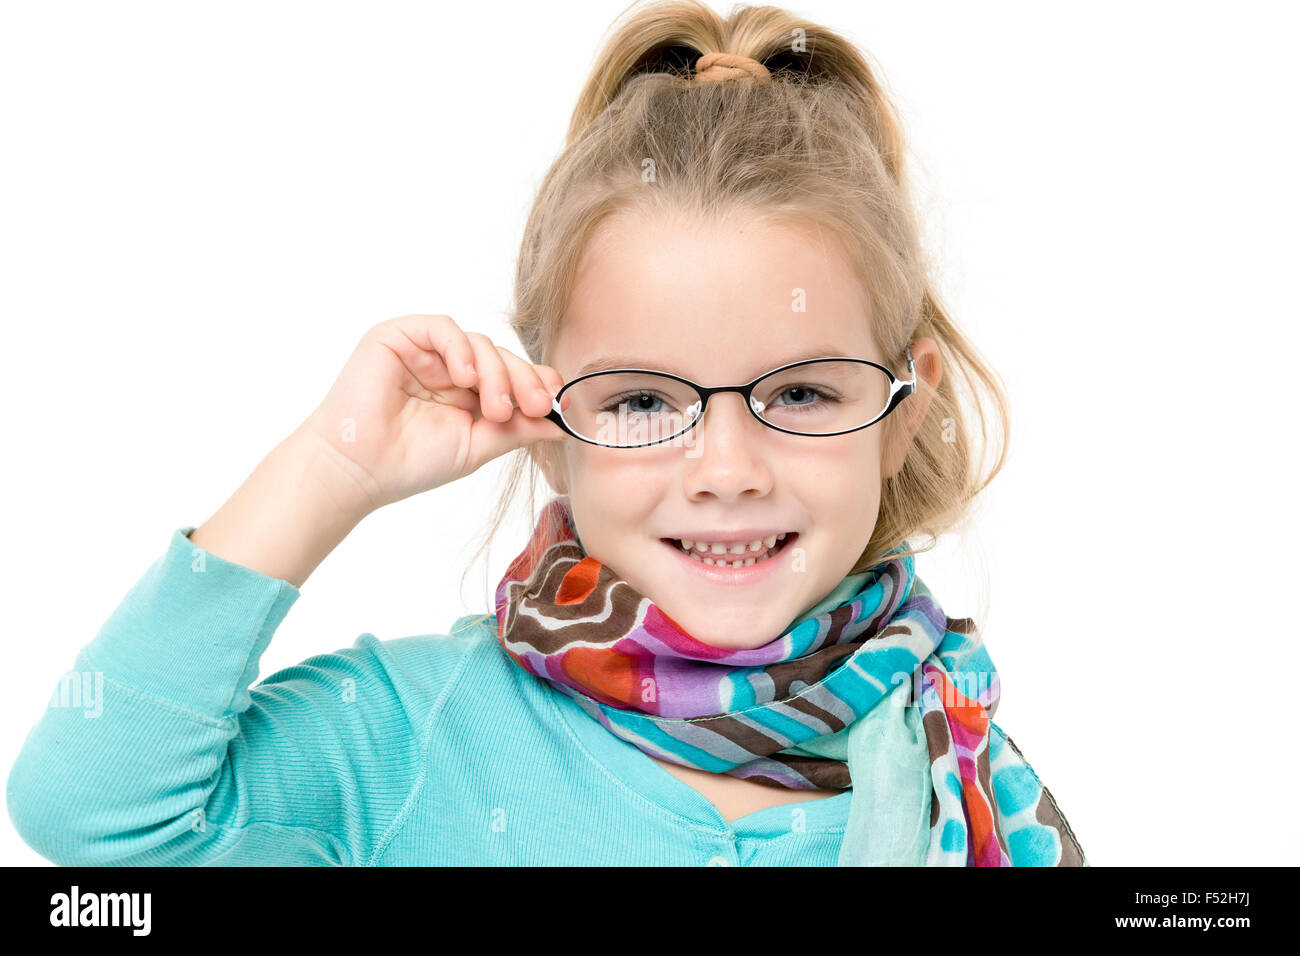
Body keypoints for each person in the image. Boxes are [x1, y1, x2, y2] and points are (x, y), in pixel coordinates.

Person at [7, 0, 1086, 866]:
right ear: (544, 416)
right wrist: (329, 468)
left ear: (905, 411)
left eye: (801, 393)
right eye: (639, 401)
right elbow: (97, 815)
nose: (723, 469)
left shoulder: (975, 780)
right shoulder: (411, 737)